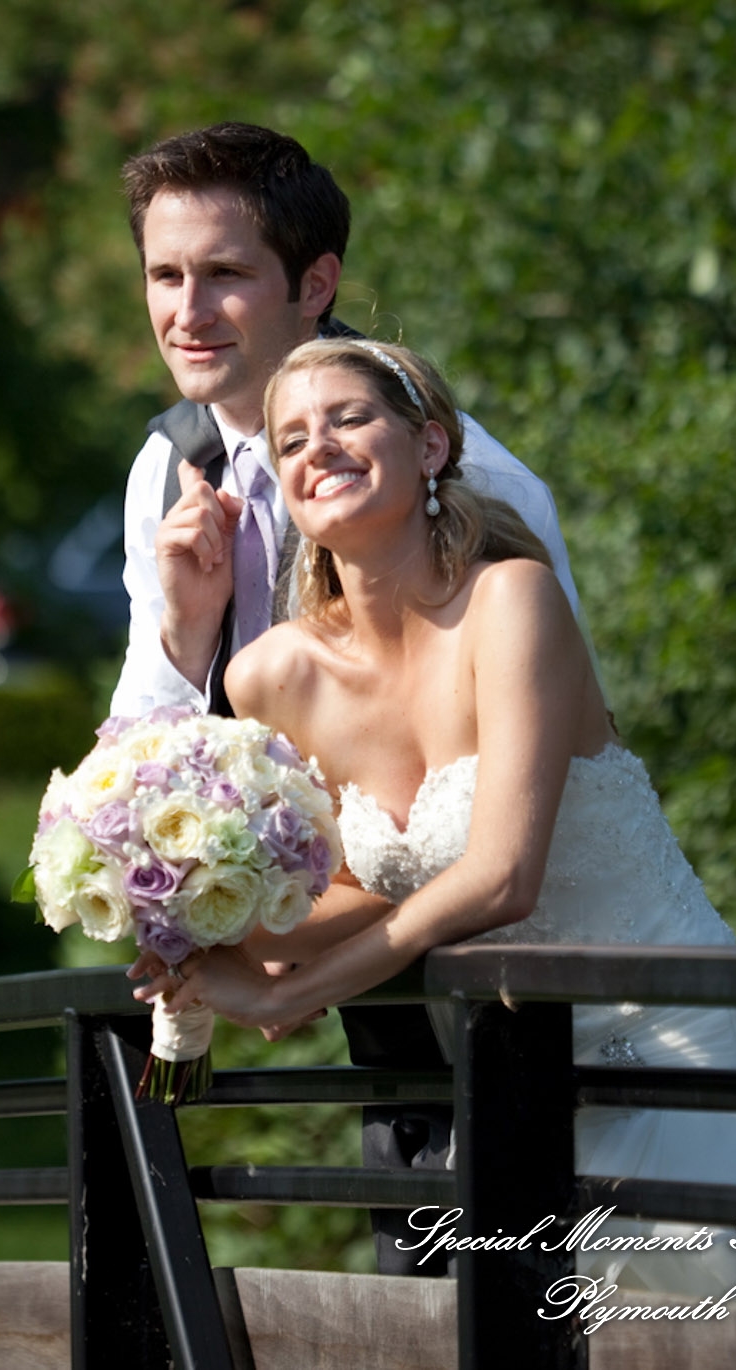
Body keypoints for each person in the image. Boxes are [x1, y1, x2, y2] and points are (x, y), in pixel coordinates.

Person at [129, 338, 736, 1320]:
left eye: (348, 418)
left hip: (671, 1044)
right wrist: (215, 930)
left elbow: (500, 873)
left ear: (428, 445)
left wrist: (289, 997)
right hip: (511, 1084)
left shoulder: (513, 598)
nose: (318, 447)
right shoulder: (273, 677)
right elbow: (357, 885)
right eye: (291, 437)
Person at [111, 122, 594, 1275]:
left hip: (528, 979)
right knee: (423, 1289)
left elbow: (548, 747)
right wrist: (184, 639)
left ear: (315, 283)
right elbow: (148, 759)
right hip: (358, 970)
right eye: (166, 276)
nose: (188, 310)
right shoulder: (165, 465)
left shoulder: (461, 476)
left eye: (225, 273)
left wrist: (277, 976)